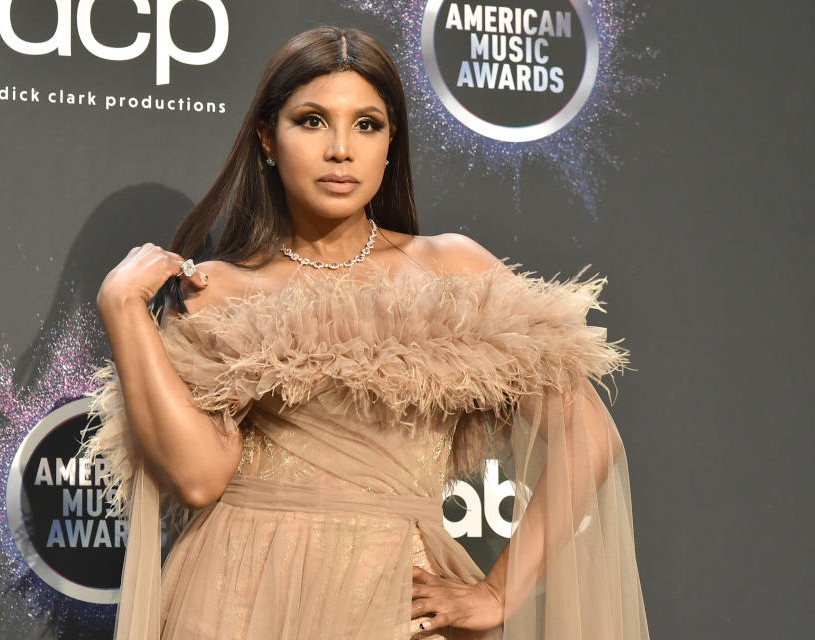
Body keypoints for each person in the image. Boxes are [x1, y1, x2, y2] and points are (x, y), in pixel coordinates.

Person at [82, 26, 651, 640]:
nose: (340, 150)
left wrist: (497, 591)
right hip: (233, 601)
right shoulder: (216, 289)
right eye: (311, 121)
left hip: (392, 606)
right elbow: (196, 479)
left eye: (366, 125)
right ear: (267, 139)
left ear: (390, 144)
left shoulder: (450, 270)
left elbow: (588, 437)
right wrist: (121, 307)